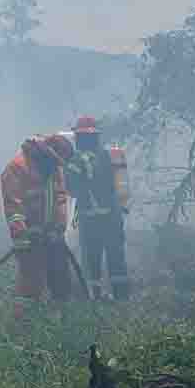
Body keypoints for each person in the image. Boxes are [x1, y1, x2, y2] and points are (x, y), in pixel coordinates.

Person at [0, 133, 75, 320]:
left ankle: (62, 321)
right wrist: (24, 233)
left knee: (60, 277)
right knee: (30, 282)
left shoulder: (53, 167)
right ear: (45, 153)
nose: (57, 166)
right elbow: (13, 206)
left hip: (50, 234)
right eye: (55, 161)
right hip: (27, 237)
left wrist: (58, 228)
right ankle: (24, 325)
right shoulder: (17, 167)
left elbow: (60, 199)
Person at [64, 115, 130, 300]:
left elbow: (72, 189)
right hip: (113, 217)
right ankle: (122, 299)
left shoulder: (78, 160)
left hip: (91, 219)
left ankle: (94, 299)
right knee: (116, 259)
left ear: (82, 137)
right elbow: (120, 191)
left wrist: (68, 167)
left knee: (92, 261)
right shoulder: (109, 156)